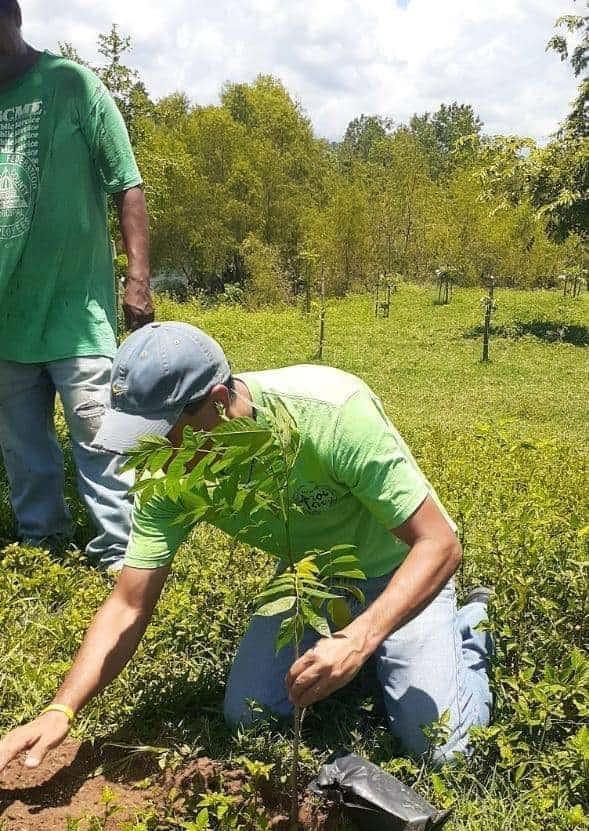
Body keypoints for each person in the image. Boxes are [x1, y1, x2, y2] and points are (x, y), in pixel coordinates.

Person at [0, 321, 493, 776]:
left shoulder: (332, 414)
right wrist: (60, 709)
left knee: (442, 752)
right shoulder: (168, 471)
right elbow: (130, 602)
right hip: (312, 578)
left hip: (402, 567)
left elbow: (439, 543)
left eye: (164, 435)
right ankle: (370, 649)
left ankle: (468, 628)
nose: (155, 453)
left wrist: (359, 640)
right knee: (249, 717)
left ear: (216, 400)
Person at [0, 0, 154, 570]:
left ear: (13, 17)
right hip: (6, 318)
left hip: (77, 312)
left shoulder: (73, 84)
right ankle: (40, 553)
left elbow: (127, 183)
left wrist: (136, 277)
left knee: (101, 440)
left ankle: (122, 562)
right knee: (23, 451)